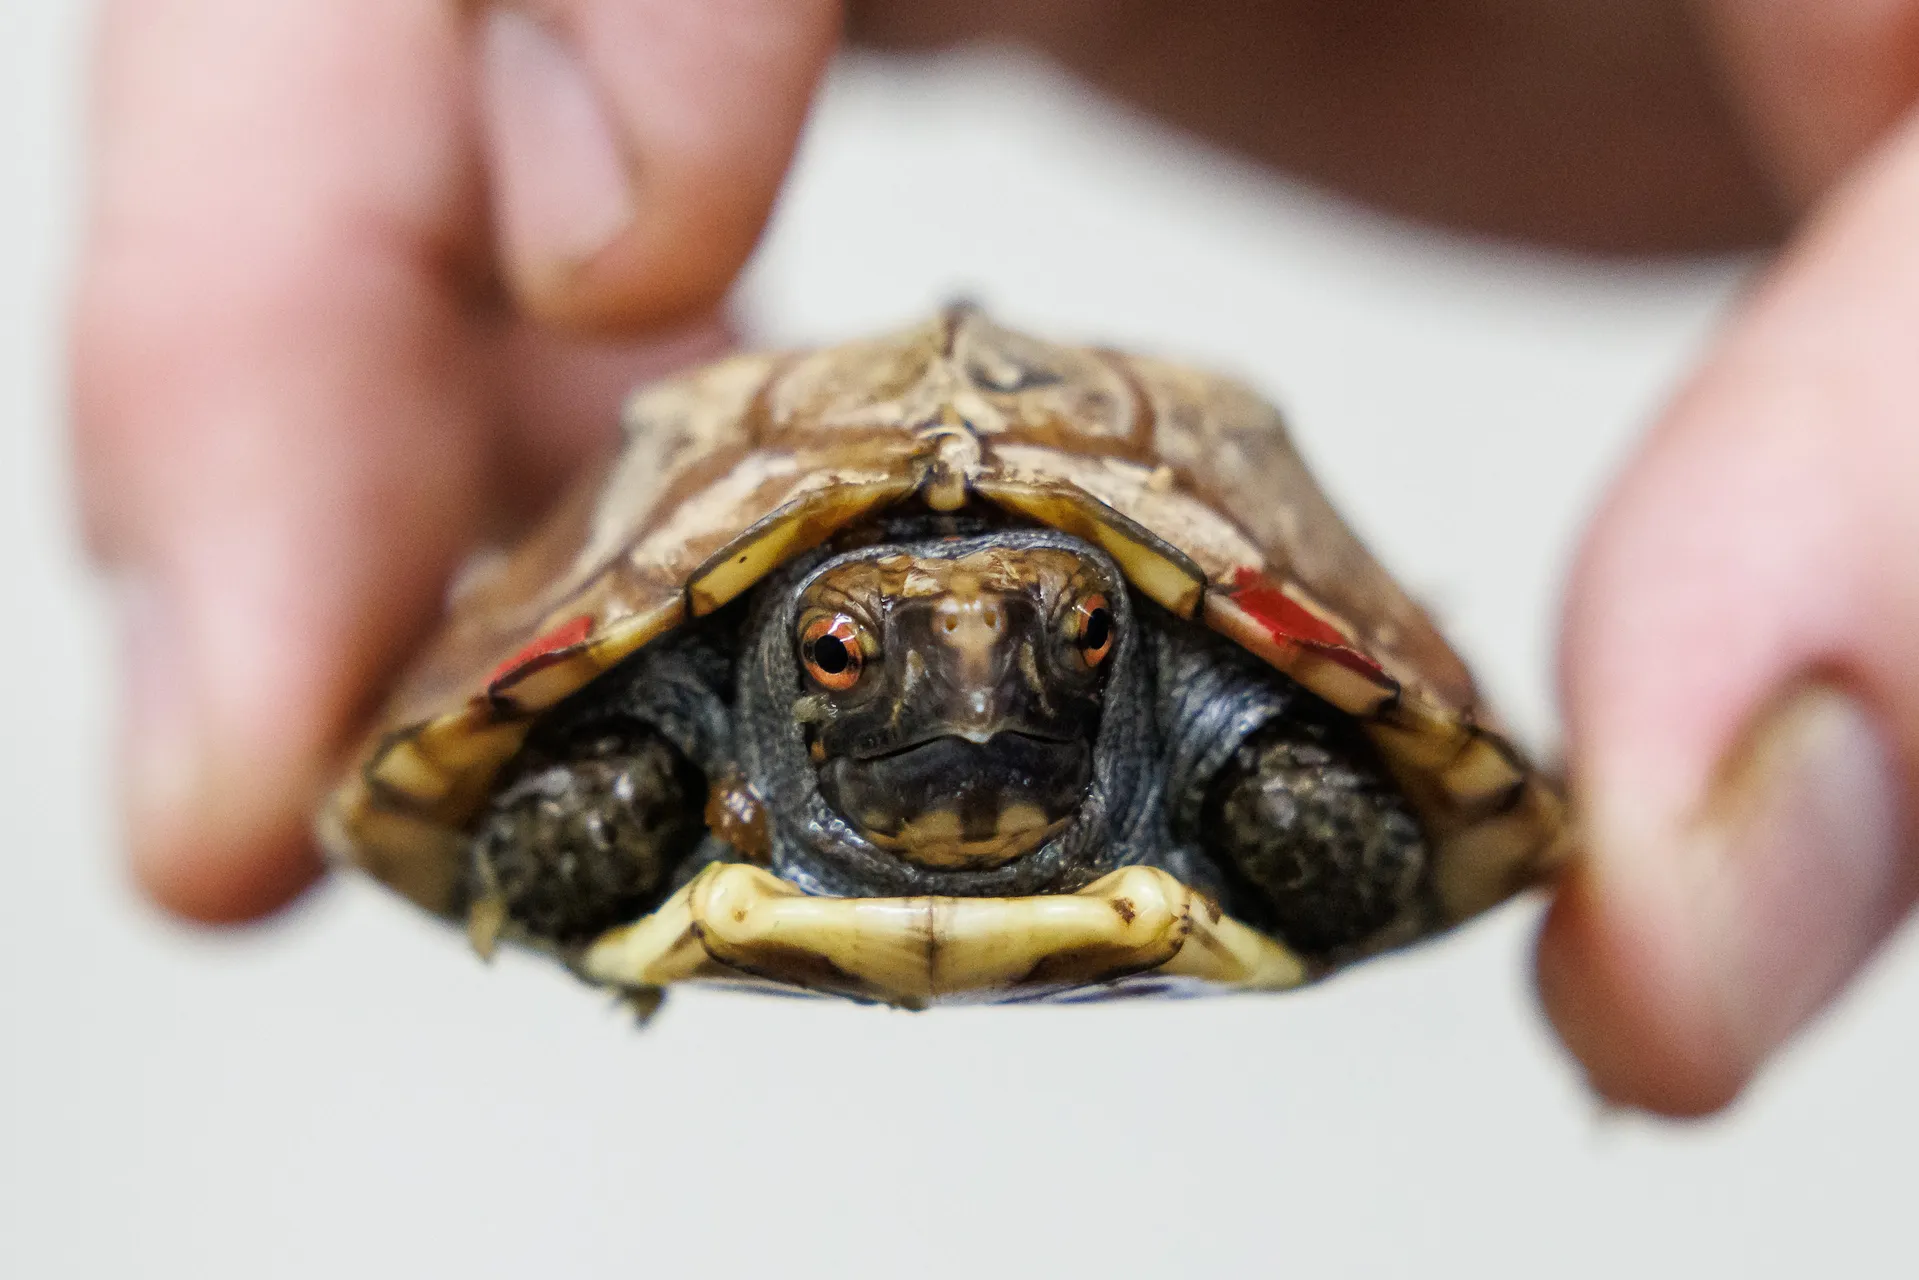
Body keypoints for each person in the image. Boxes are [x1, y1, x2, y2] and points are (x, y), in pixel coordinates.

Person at [70, 0, 1919, 1117]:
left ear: (1123, 659)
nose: (975, 671)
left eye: (1067, 639)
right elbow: (530, 778)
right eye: (855, 656)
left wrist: (1280, 783)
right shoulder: (677, 754)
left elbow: (1369, 800)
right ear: (781, 683)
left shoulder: (1207, 753)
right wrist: (615, 789)